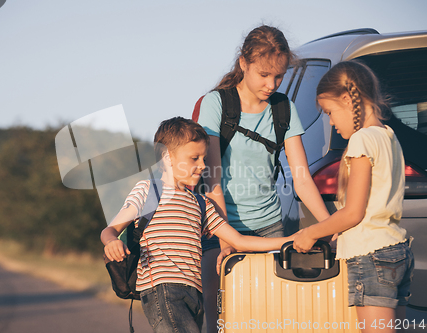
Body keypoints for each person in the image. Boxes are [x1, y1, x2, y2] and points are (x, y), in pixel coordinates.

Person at [101, 117, 295, 333]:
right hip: (162, 288)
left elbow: (238, 240)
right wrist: (111, 242)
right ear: (167, 157)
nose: (202, 165)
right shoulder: (149, 190)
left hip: (194, 292)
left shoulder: (202, 204)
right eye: (194, 158)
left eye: (203, 158)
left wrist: (292, 240)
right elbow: (110, 230)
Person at [195, 25, 330, 332]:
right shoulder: (216, 104)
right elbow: (212, 177)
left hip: (270, 230)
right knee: (222, 323)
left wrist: (330, 229)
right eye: (264, 74)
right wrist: (226, 239)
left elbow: (302, 179)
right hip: (220, 231)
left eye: (279, 76)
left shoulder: (284, 108)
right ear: (244, 64)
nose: (271, 84)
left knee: (269, 321)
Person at [293, 61, 414, 333]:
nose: (332, 122)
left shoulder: (362, 140)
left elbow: (354, 213)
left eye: (330, 112)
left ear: (347, 99)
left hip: (372, 257)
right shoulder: (389, 135)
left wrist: (311, 233)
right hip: (398, 251)